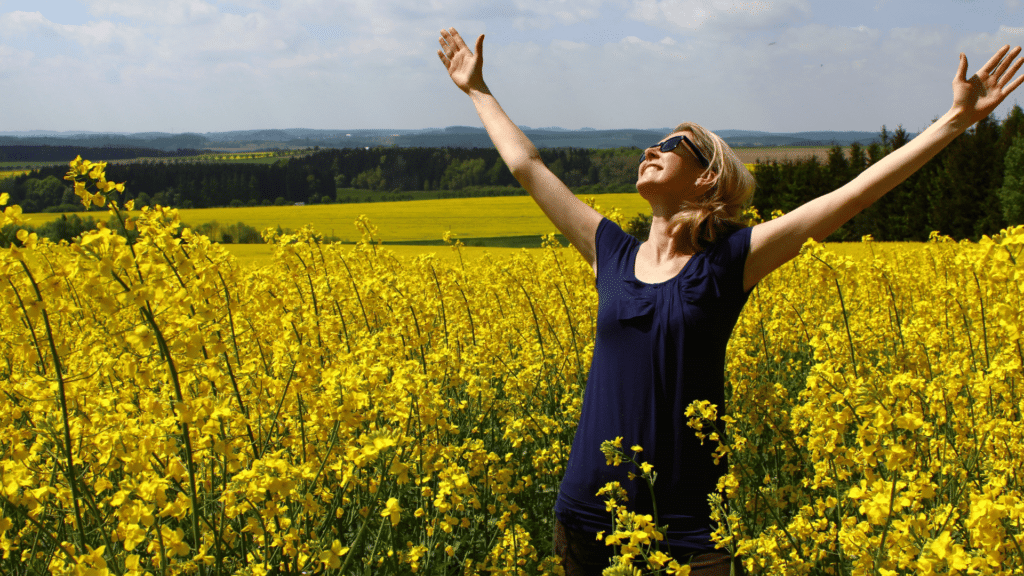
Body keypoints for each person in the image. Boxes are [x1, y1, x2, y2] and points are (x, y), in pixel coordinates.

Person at [437, 27, 1024, 575]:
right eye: (653, 141)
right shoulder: (609, 252)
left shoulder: (728, 262)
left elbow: (846, 199)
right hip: (589, 519)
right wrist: (478, 90)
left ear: (707, 180)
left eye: (675, 144)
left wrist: (954, 121)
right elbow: (527, 165)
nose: (653, 147)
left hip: (688, 529)